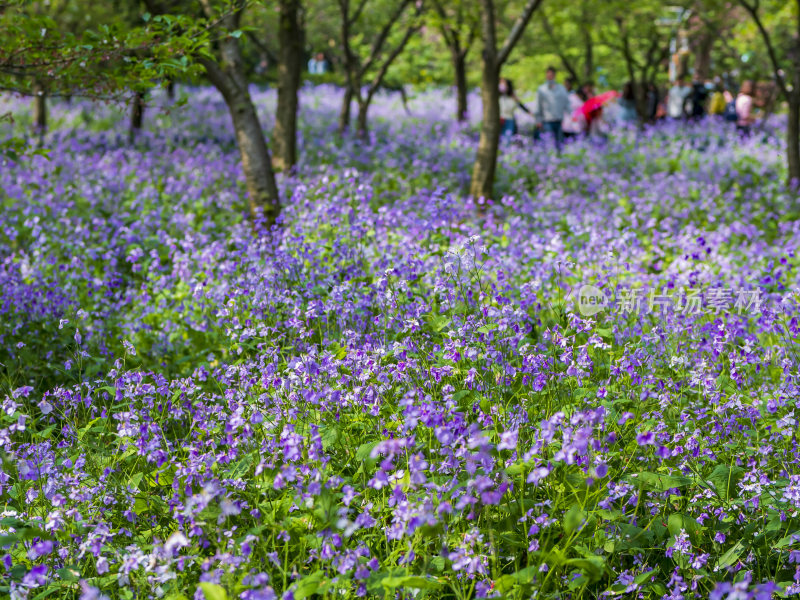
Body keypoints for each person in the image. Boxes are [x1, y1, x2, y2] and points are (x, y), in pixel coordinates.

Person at [535, 66, 569, 154]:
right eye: (548, 75)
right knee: (548, 144)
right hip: (547, 121)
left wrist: (571, 116)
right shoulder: (541, 89)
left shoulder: (561, 88)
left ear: (554, 75)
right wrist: (538, 120)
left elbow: (567, 103)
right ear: (546, 76)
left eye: (551, 75)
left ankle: (559, 162)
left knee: (560, 144)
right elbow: (538, 105)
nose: (550, 77)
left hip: (559, 120)